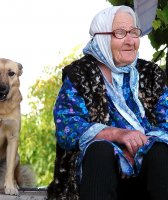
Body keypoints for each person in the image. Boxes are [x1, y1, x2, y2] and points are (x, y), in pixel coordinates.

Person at [47, 5, 168, 200]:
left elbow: (167, 121)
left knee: (161, 152)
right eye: (120, 33)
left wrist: (137, 149)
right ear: (102, 38)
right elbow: (67, 129)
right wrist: (117, 136)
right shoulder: (80, 74)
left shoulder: (151, 74)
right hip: (96, 174)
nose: (130, 41)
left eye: (134, 32)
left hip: (148, 169)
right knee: (100, 150)